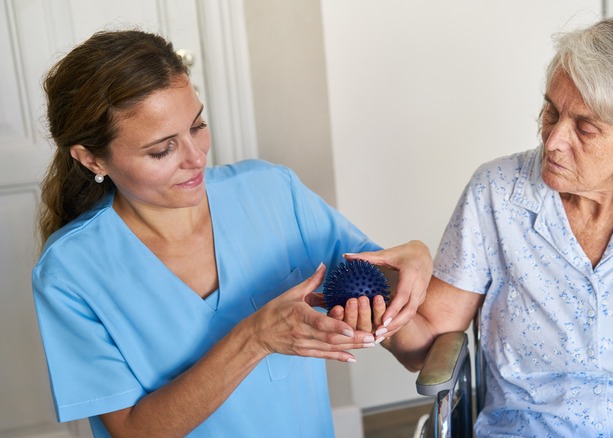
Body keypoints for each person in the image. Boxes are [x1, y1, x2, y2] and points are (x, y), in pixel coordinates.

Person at [32, 29, 431, 437]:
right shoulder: (69, 271)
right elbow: (135, 432)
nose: (197, 156)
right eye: (161, 150)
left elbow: (415, 349)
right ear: (91, 158)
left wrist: (414, 260)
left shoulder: (273, 193)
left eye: (198, 125)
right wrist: (254, 338)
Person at [382, 14, 613, 437]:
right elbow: (427, 346)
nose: (553, 141)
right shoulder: (496, 192)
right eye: (551, 112)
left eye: (585, 128)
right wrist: (382, 304)